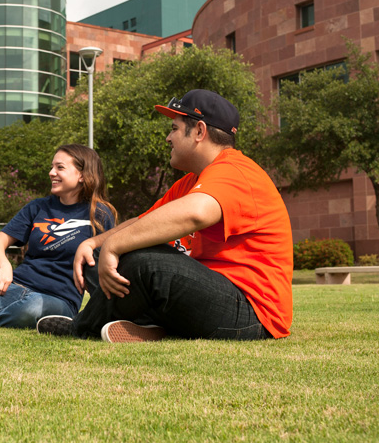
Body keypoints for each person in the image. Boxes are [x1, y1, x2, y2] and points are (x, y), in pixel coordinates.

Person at [37, 89, 293, 343]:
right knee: (93, 257)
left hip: (252, 313)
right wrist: (93, 244)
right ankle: (147, 324)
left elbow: (195, 214)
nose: (168, 137)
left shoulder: (235, 170)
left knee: (143, 261)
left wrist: (113, 247)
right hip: (207, 296)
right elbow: (144, 221)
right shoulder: (193, 180)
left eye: (174, 128)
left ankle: (82, 327)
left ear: (199, 132)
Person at [0, 144, 116, 329]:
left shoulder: (100, 214)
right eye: (51, 167)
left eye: (60, 167)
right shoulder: (38, 207)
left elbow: (108, 260)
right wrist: (5, 267)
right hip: (16, 285)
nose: (51, 173)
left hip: (60, 299)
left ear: (82, 175)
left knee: (29, 311)